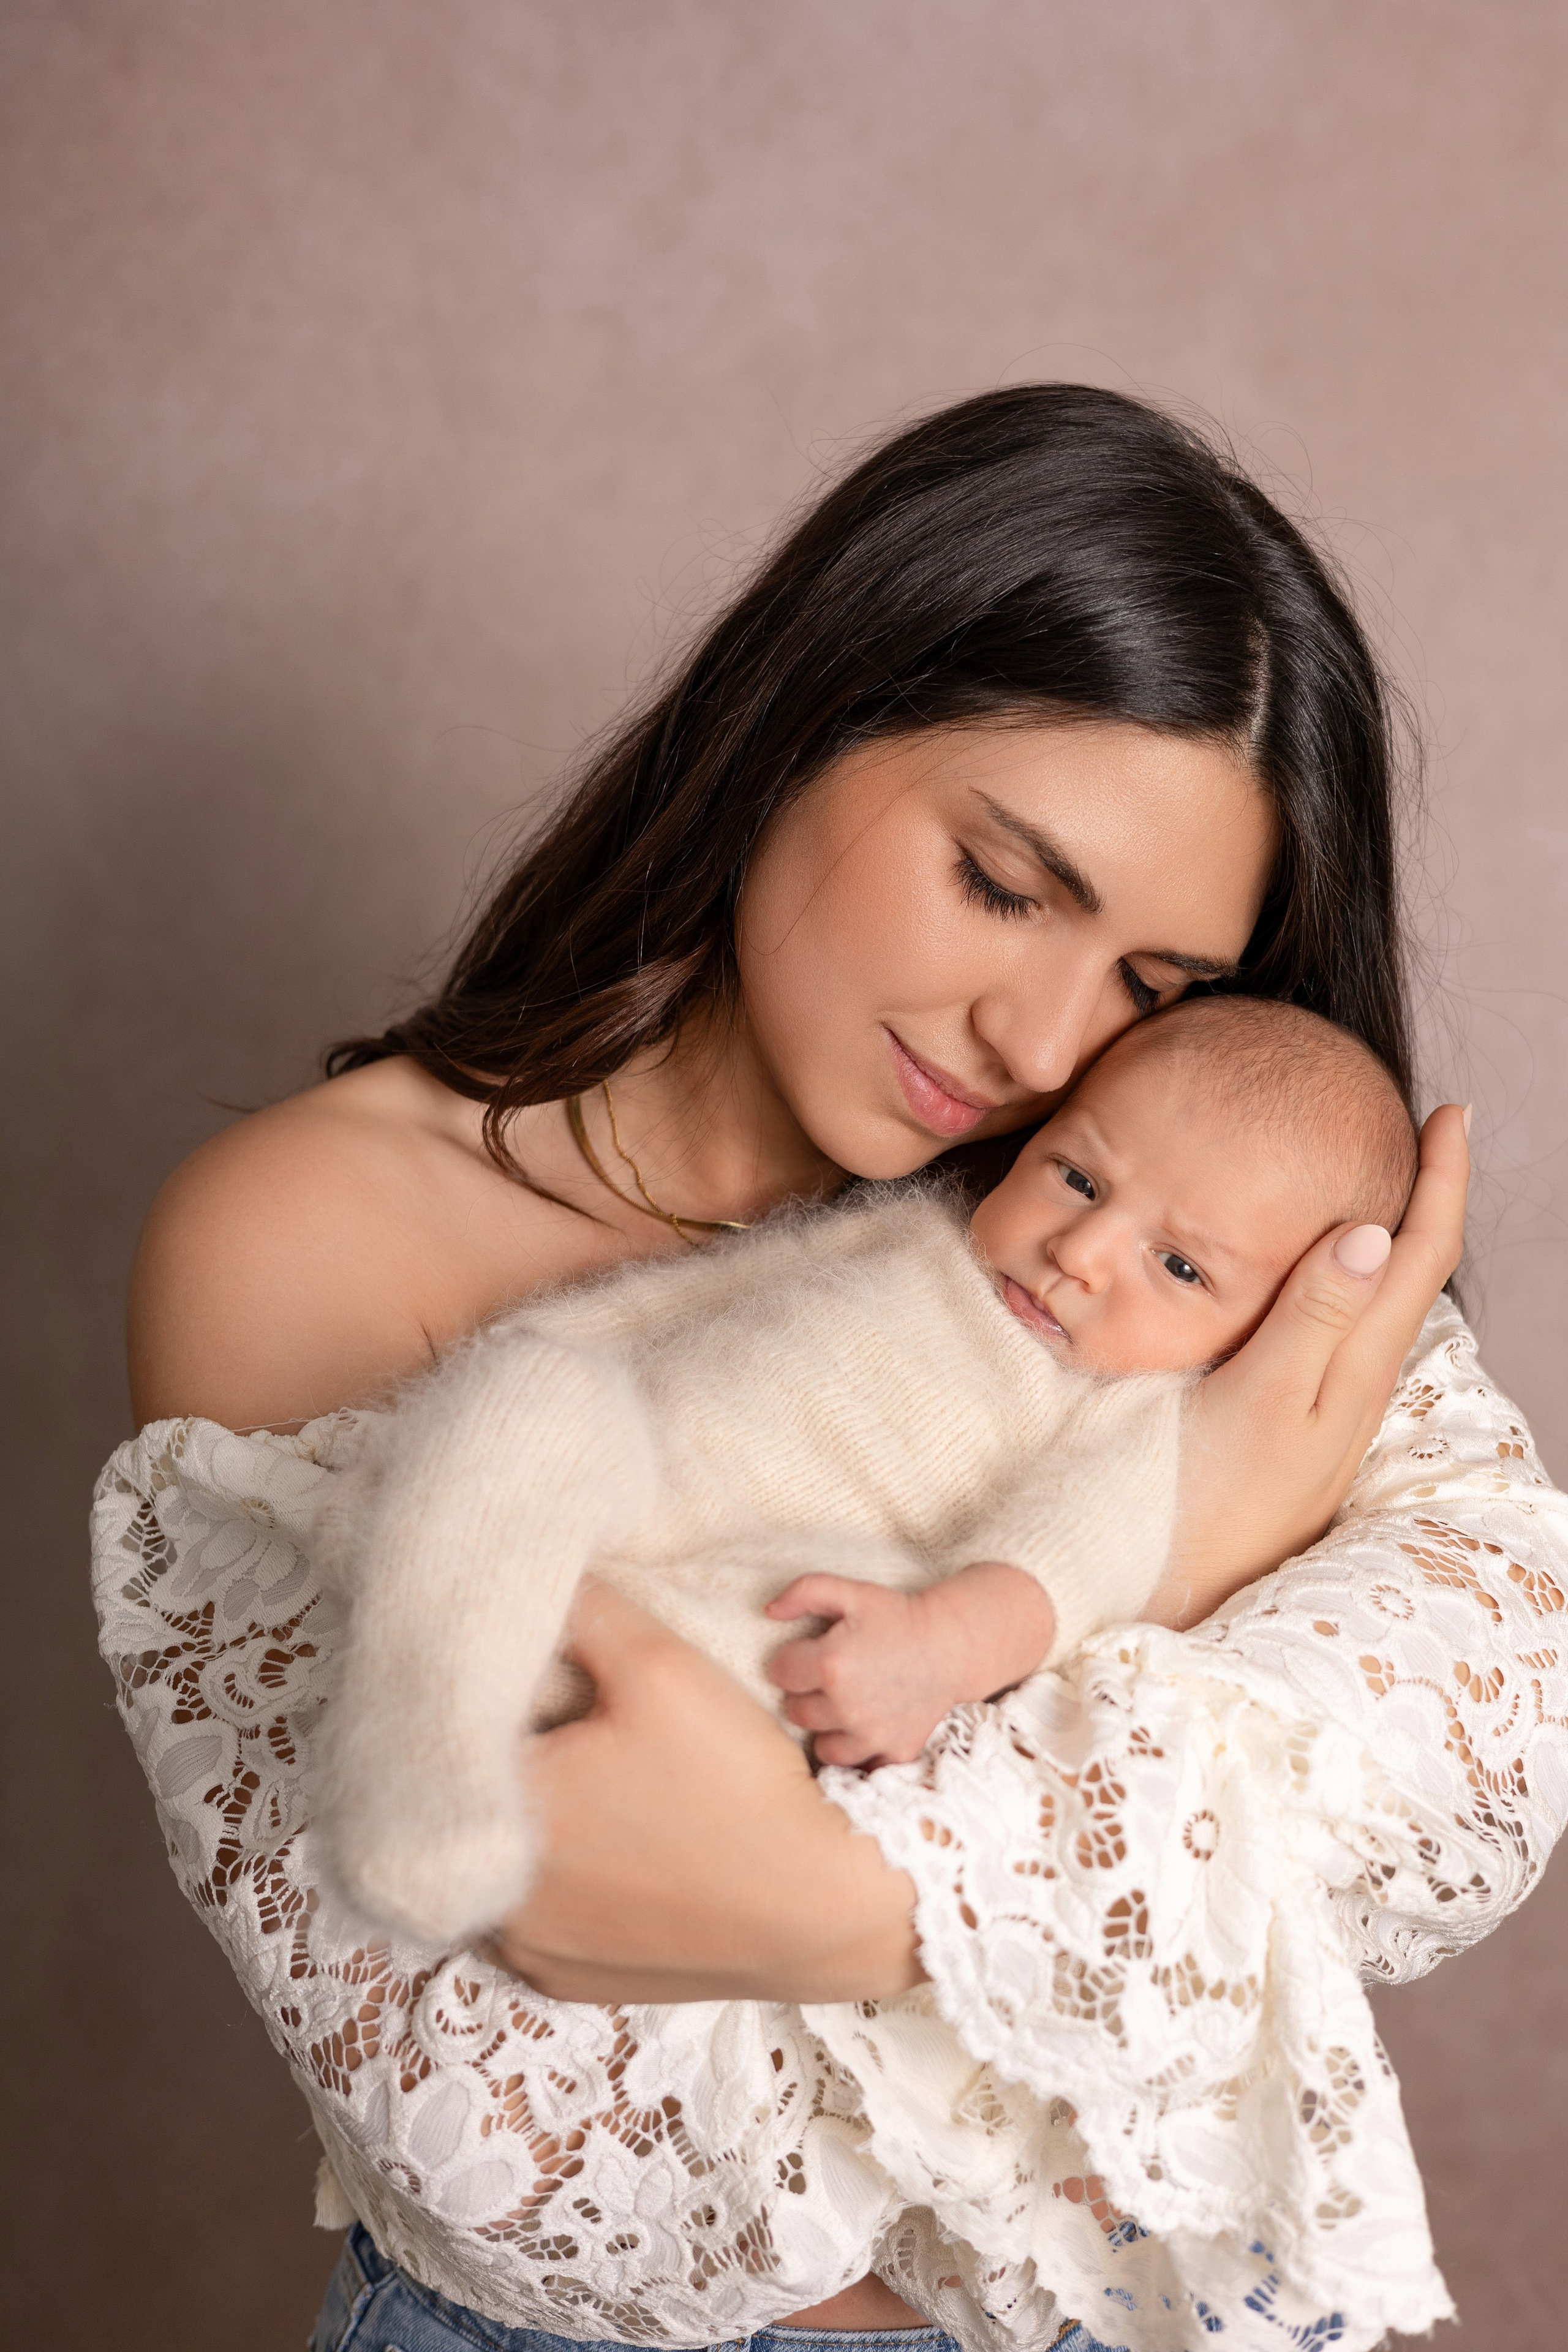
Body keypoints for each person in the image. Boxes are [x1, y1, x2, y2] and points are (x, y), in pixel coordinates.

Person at [97, 386, 1567, 2352]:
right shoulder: (310, 1239)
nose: (1041, 1039)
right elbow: (490, 2081)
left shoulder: (1166, 1186)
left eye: (1155, 987)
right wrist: (1204, 1567)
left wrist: (841, 1905)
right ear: (805, 715)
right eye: (1003, 881)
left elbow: (1487, 1712)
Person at [317, 995, 1418, 1956]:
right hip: (631, 1482)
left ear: (1265, 1330)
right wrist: (519, 1380)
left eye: (1178, 1266)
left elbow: (1079, 1555)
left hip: (771, 1591)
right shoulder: (914, 1232)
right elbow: (674, 1312)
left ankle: (478, 1764)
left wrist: (942, 1647)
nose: (1080, 1251)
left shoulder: (1135, 1407)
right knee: (527, 1392)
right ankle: (431, 1754)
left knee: (803, 1655)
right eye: (1077, 1176)